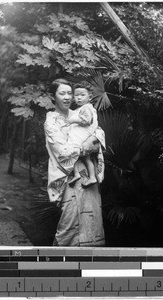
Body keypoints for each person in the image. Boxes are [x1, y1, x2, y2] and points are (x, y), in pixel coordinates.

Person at [44, 78, 105, 246]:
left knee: (93, 219)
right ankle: (63, 267)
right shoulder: (51, 121)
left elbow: (99, 133)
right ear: (53, 96)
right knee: (69, 223)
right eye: (62, 93)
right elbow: (62, 152)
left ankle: (91, 265)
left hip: (88, 177)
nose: (67, 97)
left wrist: (92, 142)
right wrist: (86, 146)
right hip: (68, 175)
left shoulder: (79, 113)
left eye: (70, 93)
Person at [66, 81, 100, 187]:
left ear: (90, 97)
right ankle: (91, 177)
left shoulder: (87, 108)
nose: (79, 98)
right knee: (85, 158)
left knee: (70, 152)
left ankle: (77, 174)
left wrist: (73, 120)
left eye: (82, 95)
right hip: (80, 136)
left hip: (82, 136)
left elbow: (87, 121)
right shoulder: (79, 109)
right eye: (76, 95)